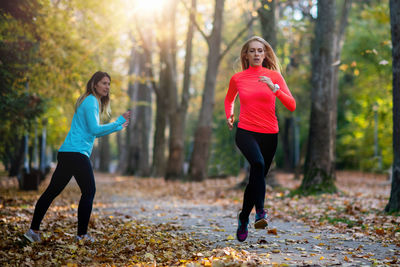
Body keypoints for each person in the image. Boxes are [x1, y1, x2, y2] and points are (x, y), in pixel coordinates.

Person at [24, 71, 131, 243]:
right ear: (95, 84)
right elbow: (95, 130)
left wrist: (118, 126)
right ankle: (81, 235)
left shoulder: (90, 101)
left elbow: (92, 131)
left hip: (68, 152)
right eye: (104, 83)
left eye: (109, 84)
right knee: (89, 191)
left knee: (52, 191)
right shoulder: (90, 101)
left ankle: (32, 231)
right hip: (76, 153)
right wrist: (118, 122)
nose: (107, 87)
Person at [224, 36, 296, 242]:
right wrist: (229, 115)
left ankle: (243, 218)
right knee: (257, 163)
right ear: (246, 55)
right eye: (252, 51)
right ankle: (261, 213)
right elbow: (230, 98)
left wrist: (275, 89)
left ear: (265, 54)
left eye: (260, 51)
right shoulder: (238, 78)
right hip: (246, 130)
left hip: (270, 133)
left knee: (257, 179)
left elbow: (291, 105)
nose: (256, 54)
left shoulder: (275, 76)